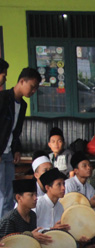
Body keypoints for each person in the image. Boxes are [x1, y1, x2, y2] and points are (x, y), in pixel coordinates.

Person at [0, 179, 80, 248]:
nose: (35, 198)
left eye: (35, 194)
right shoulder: (10, 219)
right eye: (31, 195)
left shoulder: (32, 215)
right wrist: (30, 236)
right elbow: (6, 245)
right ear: (19, 198)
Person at [0, 67, 42, 217]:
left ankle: (6, 228)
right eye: (32, 87)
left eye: (36, 88)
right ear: (22, 81)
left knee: (10, 193)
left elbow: (16, 130)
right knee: (1, 194)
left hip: (9, 153)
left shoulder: (23, 105)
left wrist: (17, 149)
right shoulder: (3, 98)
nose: (33, 91)